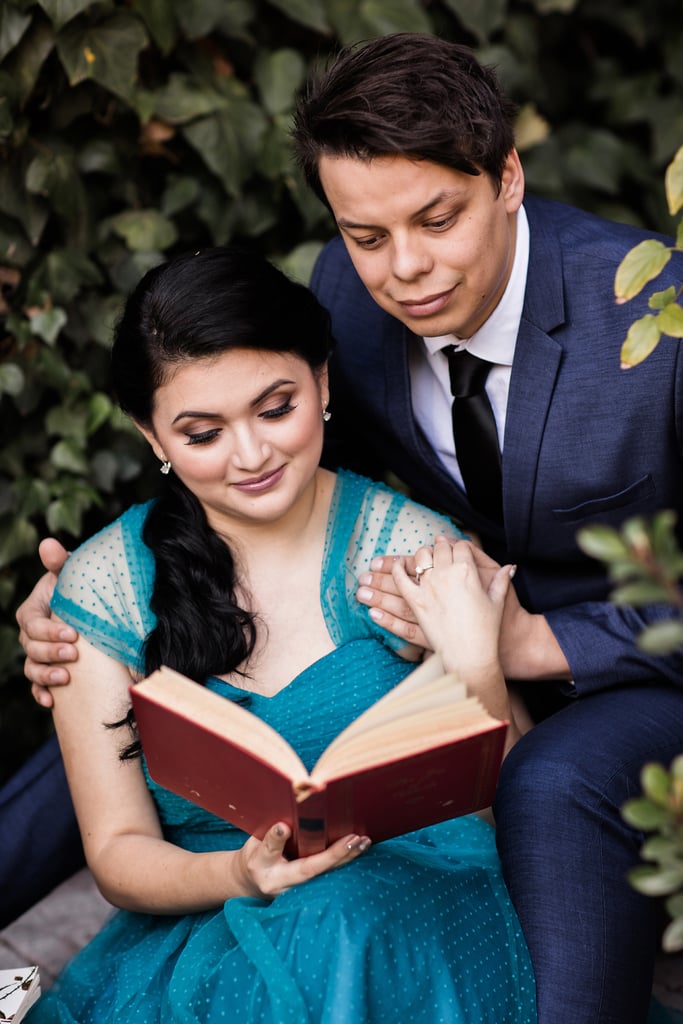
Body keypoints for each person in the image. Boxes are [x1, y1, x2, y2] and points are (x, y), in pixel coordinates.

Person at [12, 31, 683, 1024]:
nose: (403, 268)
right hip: (420, 617)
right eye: (364, 233)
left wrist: (525, 642)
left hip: (619, 667)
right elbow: (254, 448)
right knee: (110, 669)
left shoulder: (651, 321)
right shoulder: (342, 296)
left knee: (545, 778)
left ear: (506, 177)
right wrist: (103, 585)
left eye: (435, 217)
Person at [19, 245, 535, 1023]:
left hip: (419, 910)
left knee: (341, 918)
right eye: (202, 434)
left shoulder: (413, 552)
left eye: (275, 408)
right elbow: (119, 850)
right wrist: (241, 874)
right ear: (151, 436)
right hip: (213, 908)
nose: (253, 456)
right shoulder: (107, 587)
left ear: (322, 383)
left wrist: (474, 666)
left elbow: (527, 814)